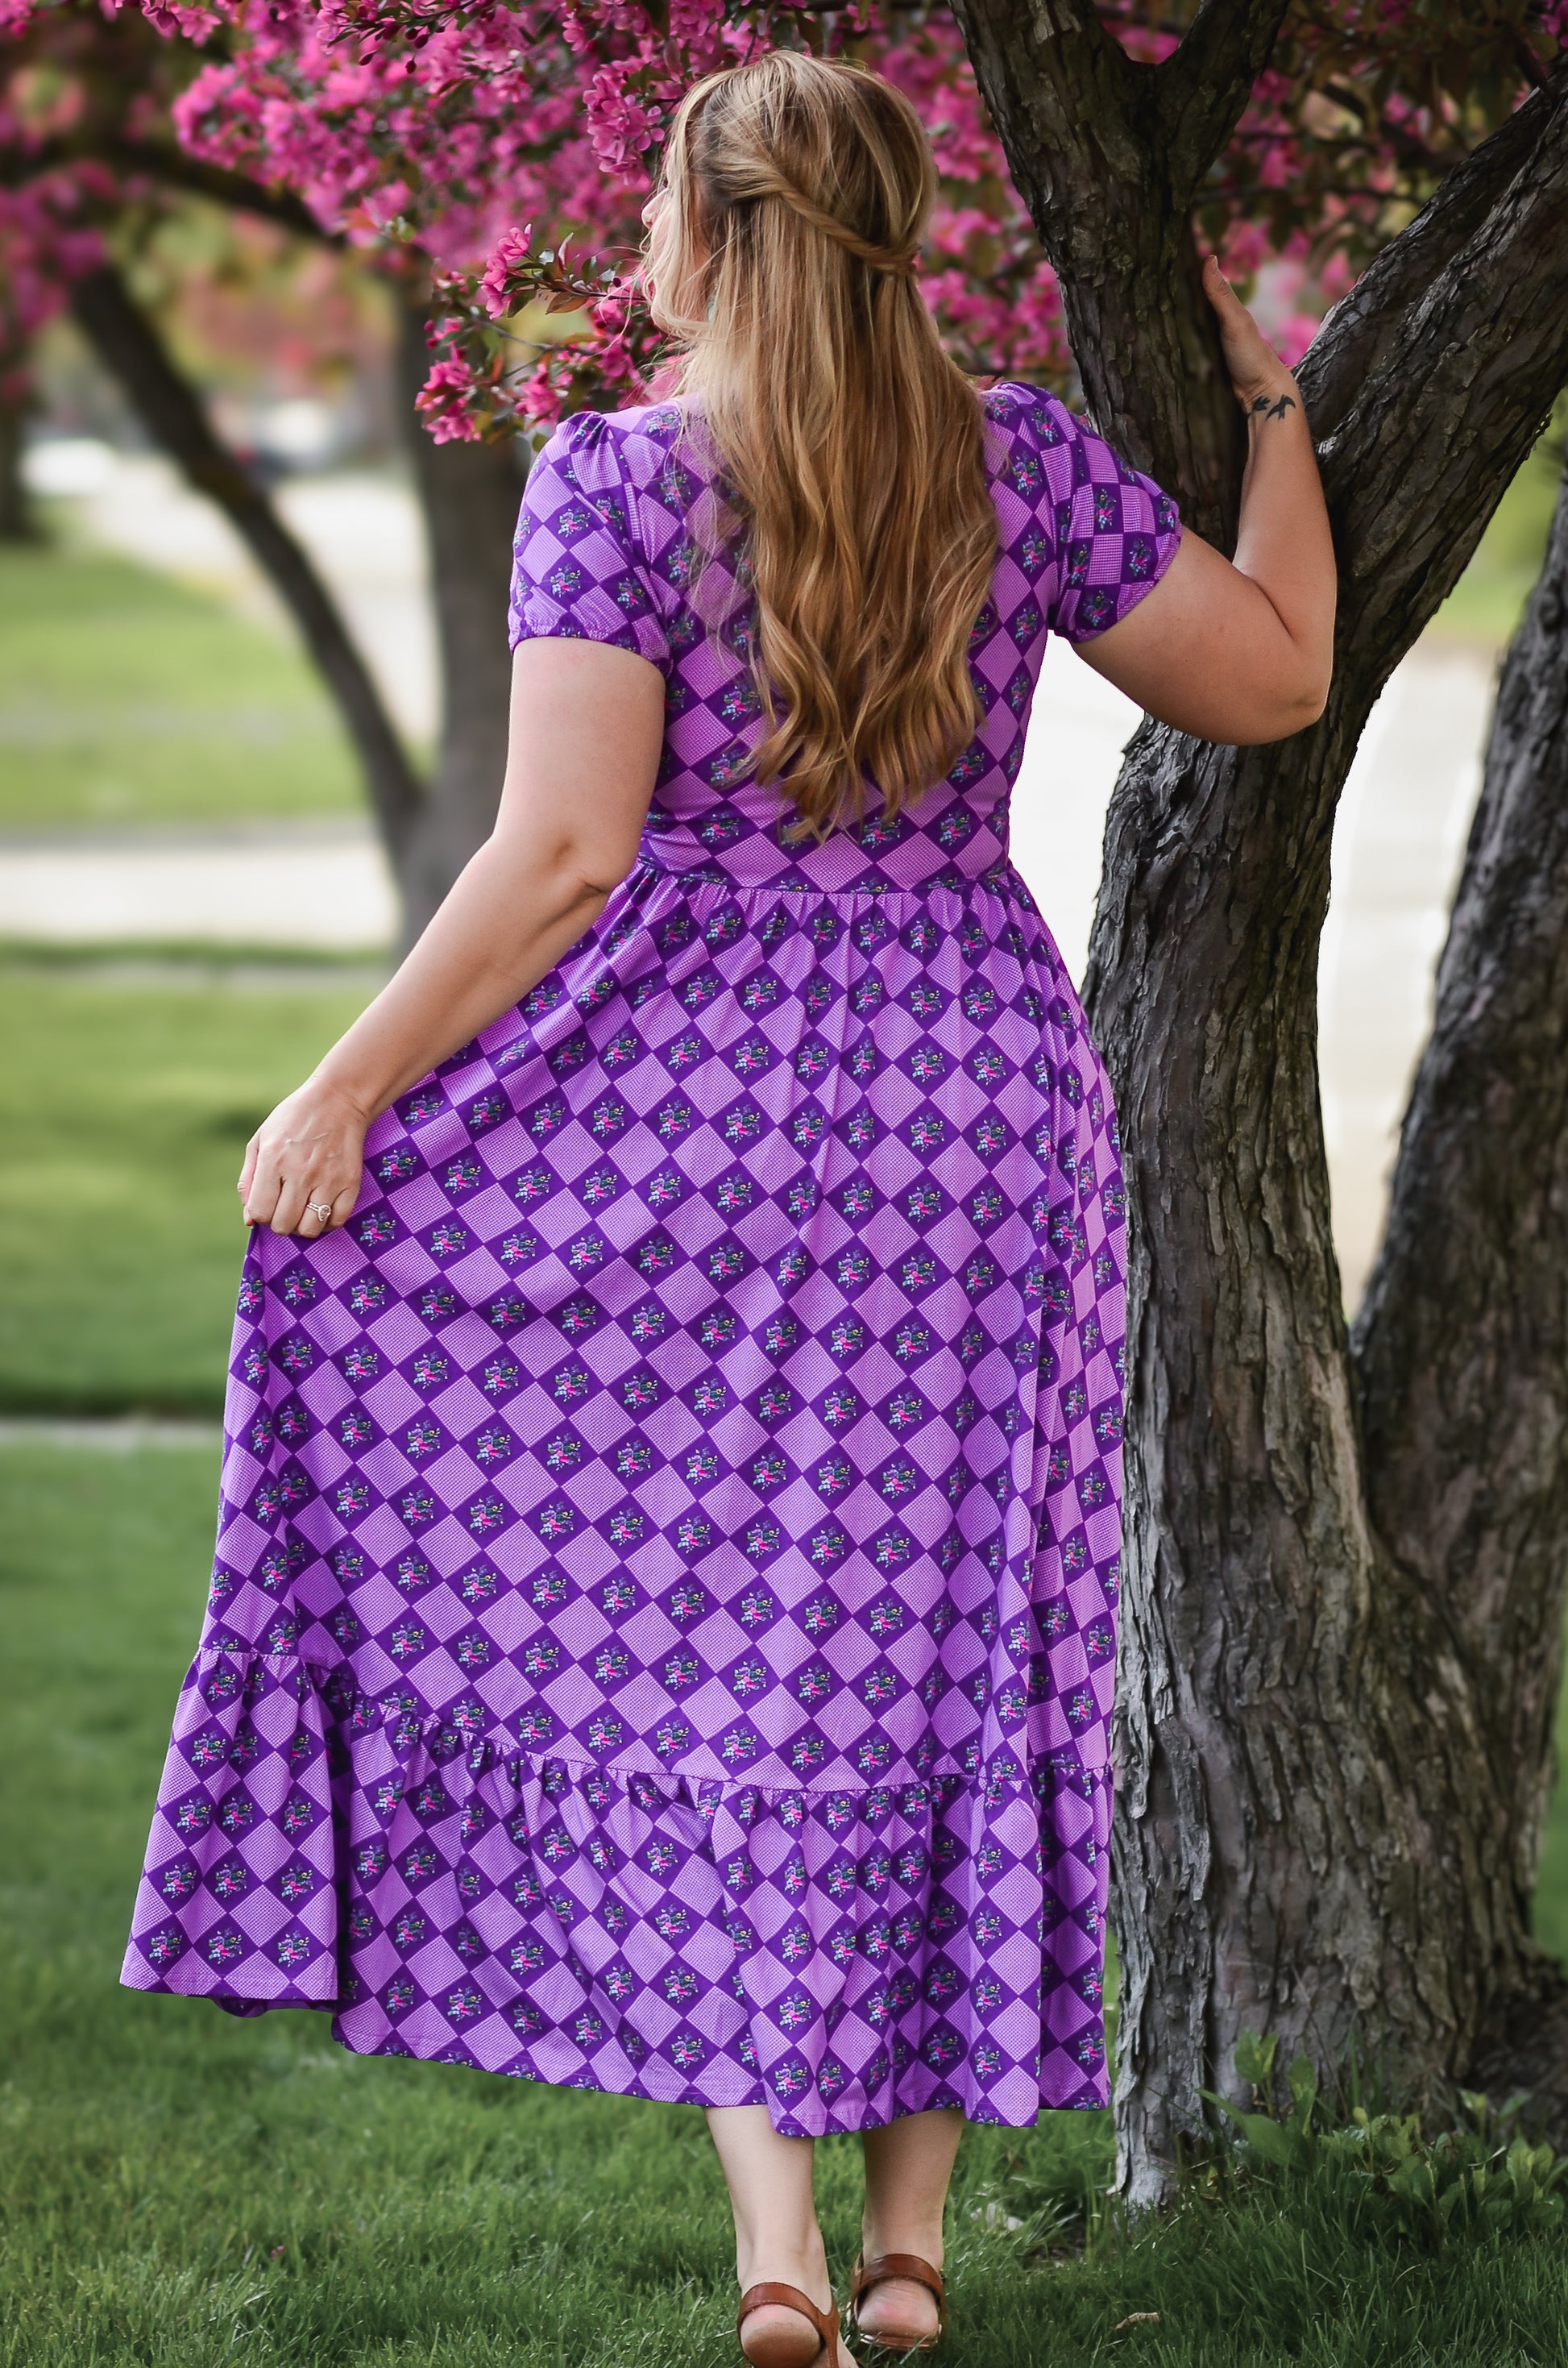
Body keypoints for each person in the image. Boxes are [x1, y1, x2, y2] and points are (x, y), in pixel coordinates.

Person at [120, 48, 1334, 2368]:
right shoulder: (1016, 458)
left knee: (708, 1644)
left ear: (698, 230)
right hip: (970, 1118)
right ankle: (910, 2256)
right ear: (894, 227)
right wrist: (1278, 425)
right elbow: (1270, 677)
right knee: (952, 1637)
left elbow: (565, 852)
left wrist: (348, 1083)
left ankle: (772, 2254)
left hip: (689, 1129)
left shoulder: (613, 484)